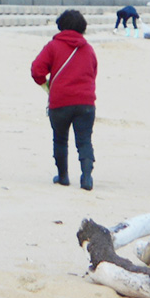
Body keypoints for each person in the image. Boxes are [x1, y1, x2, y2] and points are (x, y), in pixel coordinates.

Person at [30, 10, 98, 190]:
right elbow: (93, 73)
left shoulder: (53, 46)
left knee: (60, 139)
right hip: (86, 102)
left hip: (60, 101)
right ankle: (87, 177)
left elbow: (37, 70)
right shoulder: (88, 49)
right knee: (84, 140)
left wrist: (46, 85)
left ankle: (63, 176)